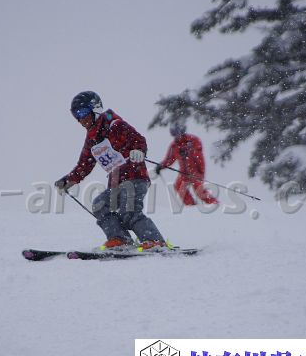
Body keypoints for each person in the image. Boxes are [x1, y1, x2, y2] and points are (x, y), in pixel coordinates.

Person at [55, 91, 167, 250]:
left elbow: (138, 139)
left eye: (83, 112)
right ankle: (120, 239)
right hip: (116, 183)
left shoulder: (115, 125)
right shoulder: (92, 139)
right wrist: (68, 181)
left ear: (95, 109)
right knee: (100, 205)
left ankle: (155, 241)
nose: (80, 119)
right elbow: (84, 165)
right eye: (76, 115)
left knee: (129, 212)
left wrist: (139, 150)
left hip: (134, 176)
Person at [154, 124, 219, 206]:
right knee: (179, 186)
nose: (176, 136)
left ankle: (214, 204)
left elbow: (198, 152)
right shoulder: (174, 146)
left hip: (196, 169)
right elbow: (169, 159)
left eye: (177, 133)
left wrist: (188, 151)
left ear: (182, 132)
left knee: (199, 191)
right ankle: (191, 205)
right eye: (173, 133)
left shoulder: (193, 140)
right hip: (183, 171)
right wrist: (161, 166)